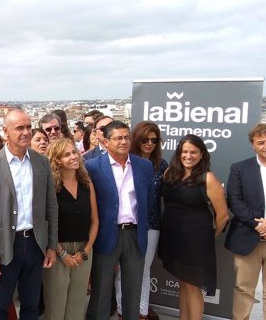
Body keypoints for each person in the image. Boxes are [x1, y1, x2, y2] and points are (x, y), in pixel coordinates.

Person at [0, 109, 59, 320]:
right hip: (5, 245)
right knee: (0, 306)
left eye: (28, 127)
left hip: (34, 243)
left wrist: (51, 245)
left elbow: (51, 207)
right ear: (5, 132)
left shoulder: (41, 163)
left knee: (31, 305)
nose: (26, 132)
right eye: (19, 128)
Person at [84, 121, 154, 320]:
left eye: (127, 137)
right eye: (118, 138)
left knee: (133, 290)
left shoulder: (144, 166)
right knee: (101, 290)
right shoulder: (92, 166)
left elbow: (147, 200)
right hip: (106, 234)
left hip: (135, 234)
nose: (124, 141)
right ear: (106, 142)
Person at [158, 134, 228, 320]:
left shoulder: (208, 178)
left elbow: (223, 216)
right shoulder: (169, 174)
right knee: (183, 283)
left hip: (196, 241)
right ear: (179, 153)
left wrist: (208, 237)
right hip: (173, 237)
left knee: (192, 286)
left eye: (194, 152)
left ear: (202, 154)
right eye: (185, 151)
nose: (188, 156)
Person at [225, 123, 266, 319]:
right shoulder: (240, 168)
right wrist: (262, 227)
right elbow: (234, 201)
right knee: (243, 289)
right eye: (261, 142)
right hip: (247, 238)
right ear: (253, 145)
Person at [114, 121, 167, 320]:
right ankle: (122, 311)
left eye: (154, 140)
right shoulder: (128, 162)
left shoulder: (161, 164)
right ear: (137, 139)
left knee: (144, 270)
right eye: (145, 139)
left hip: (151, 223)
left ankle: (142, 313)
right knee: (122, 271)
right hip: (126, 225)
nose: (150, 143)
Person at [43, 138, 98, 320]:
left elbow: (95, 221)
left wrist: (85, 251)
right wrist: (62, 253)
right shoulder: (50, 187)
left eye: (74, 152)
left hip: (83, 250)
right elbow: (45, 223)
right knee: (56, 307)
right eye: (67, 154)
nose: (73, 156)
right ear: (57, 160)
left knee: (76, 305)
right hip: (56, 250)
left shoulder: (87, 184)